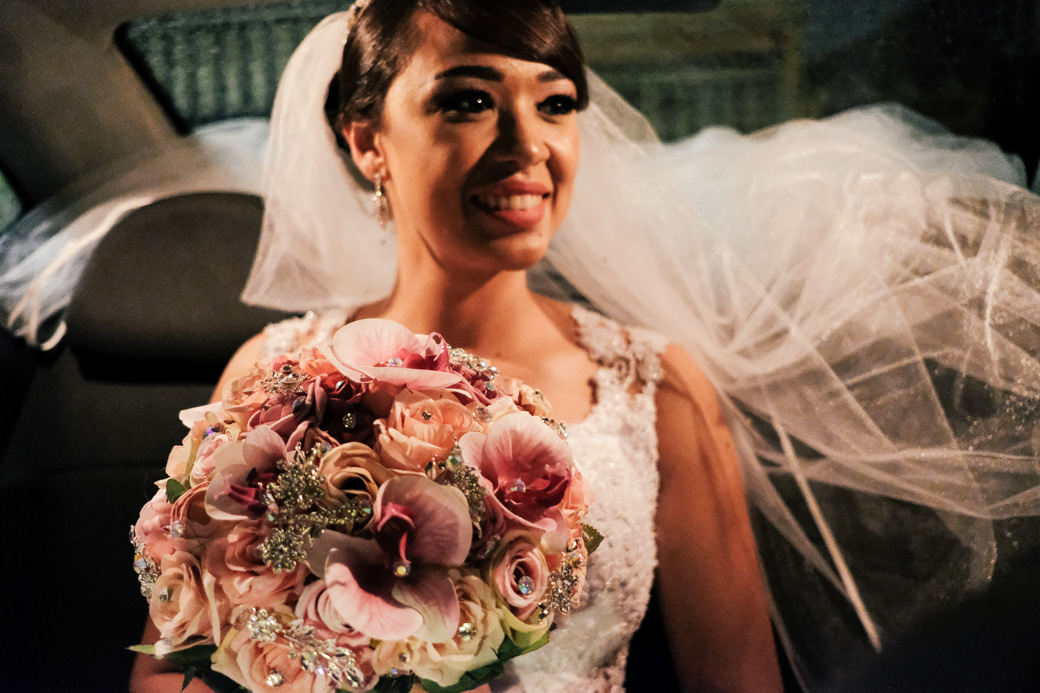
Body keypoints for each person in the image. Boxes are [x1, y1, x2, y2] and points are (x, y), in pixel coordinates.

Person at [131, 1, 782, 692]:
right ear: (366, 141)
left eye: (555, 103)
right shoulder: (274, 377)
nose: (529, 143)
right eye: (470, 100)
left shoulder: (655, 386)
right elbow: (171, 671)